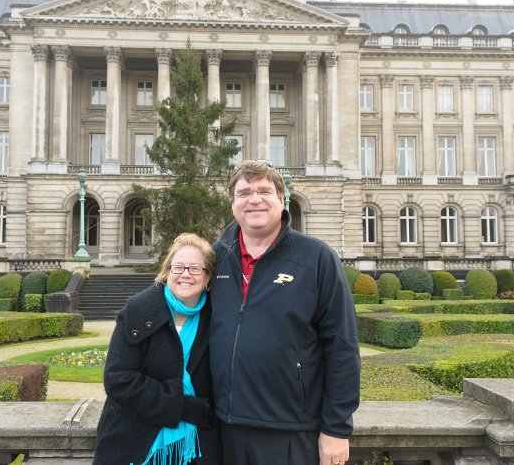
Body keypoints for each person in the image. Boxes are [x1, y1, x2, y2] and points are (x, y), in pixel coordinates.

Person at [209, 160, 361, 465]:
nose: (254, 199)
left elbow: (342, 347)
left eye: (264, 190)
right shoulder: (214, 258)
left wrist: (336, 429)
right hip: (223, 429)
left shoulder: (316, 257)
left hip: (291, 431)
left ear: (282, 199)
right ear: (233, 203)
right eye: (244, 193)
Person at [94, 233, 221, 465]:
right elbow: (118, 380)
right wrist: (182, 407)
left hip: (199, 446)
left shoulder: (218, 317)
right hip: (133, 440)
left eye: (195, 269)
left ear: (208, 277)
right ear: (167, 271)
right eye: (178, 267)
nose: (185, 274)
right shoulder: (139, 309)